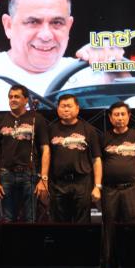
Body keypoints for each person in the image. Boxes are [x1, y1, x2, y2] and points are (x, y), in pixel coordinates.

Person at [101, 102, 135, 268]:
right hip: (110, 190)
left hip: (133, 188)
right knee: (109, 230)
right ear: (110, 117)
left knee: (132, 229)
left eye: (123, 114)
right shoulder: (103, 138)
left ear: (129, 116)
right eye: (116, 114)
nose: (120, 118)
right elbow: (98, 164)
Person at [0, 84, 49, 222]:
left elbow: (45, 149)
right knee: (8, 219)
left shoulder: (36, 119)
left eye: (17, 97)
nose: (13, 99)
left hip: (30, 174)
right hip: (6, 174)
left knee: (31, 219)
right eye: (10, 97)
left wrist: (44, 179)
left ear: (26, 100)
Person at [48, 94, 102, 223]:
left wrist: (97, 186)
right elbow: (46, 156)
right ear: (58, 109)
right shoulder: (50, 129)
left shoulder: (89, 130)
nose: (66, 109)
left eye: (69, 106)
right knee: (59, 223)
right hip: (58, 184)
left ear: (77, 108)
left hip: (82, 183)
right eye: (63, 106)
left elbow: (96, 160)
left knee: (82, 223)